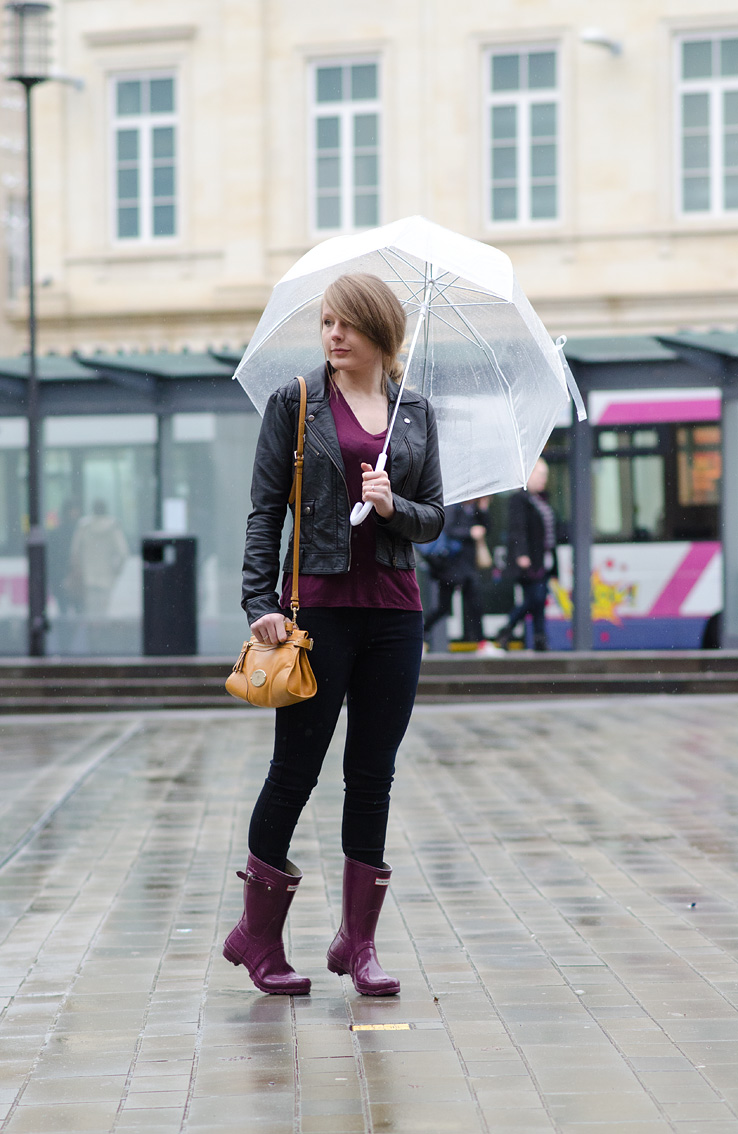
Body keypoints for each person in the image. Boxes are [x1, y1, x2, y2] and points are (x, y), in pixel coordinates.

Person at [223, 273, 444, 996]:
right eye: (326, 322)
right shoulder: (297, 402)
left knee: (371, 775)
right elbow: (265, 512)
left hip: (395, 613)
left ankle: (359, 941)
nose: (334, 335)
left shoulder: (415, 413)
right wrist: (261, 599)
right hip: (315, 615)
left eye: (347, 323)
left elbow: (434, 517)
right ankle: (258, 937)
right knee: (295, 771)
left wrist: (393, 506)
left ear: (380, 332)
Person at [495, 458, 558, 651]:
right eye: (540, 475)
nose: (543, 480)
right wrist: (522, 554)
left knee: (538, 600)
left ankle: (539, 638)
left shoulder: (540, 499)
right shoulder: (519, 499)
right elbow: (517, 529)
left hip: (543, 561)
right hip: (529, 561)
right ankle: (508, 629)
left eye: (545, 476)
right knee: (536, 598)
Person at [422, 499, 491, 650]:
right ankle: (421, 634)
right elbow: (448, 529)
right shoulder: (453, 507)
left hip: (468, 568)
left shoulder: (475, 510)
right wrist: (469, 532)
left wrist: (484, 510)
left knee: (475, 604)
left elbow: (487, 528)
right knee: (443, 607)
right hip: (450, 568)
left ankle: (481, 642)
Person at [68, 499, 128, 617]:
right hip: (107, 577)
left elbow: (74, 552)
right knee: (103, 613)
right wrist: (116, 570)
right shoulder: (113, 527)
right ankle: (102, 634)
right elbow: (123, 553)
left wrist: (78, 568)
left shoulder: (84, 526)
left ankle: (92, 634)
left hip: (87, 577)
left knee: (90, 613)